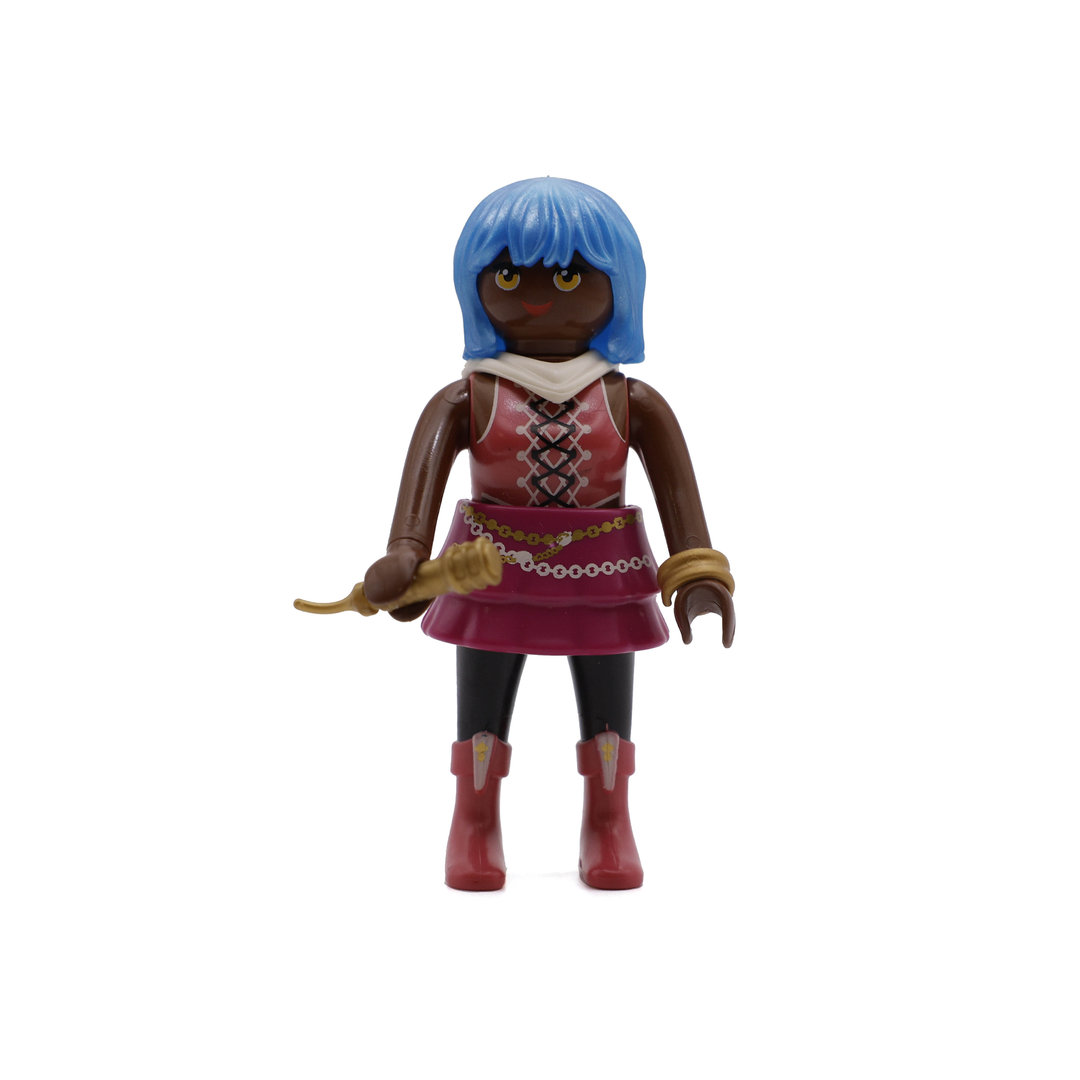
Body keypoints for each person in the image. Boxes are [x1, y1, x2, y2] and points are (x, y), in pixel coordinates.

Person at [363, 177, 735, 891]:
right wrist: (406, 555)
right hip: (486, 569)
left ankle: (609, 819)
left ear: (618, 287)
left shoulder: (632, 401)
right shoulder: (468, 397)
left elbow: (679, 496)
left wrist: (698, 573)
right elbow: (420, 490)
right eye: (508, 276)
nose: (538, 296)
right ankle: (474, 819)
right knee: (482, 702)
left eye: (568, 277)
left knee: (607, 704)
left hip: (603, 576)